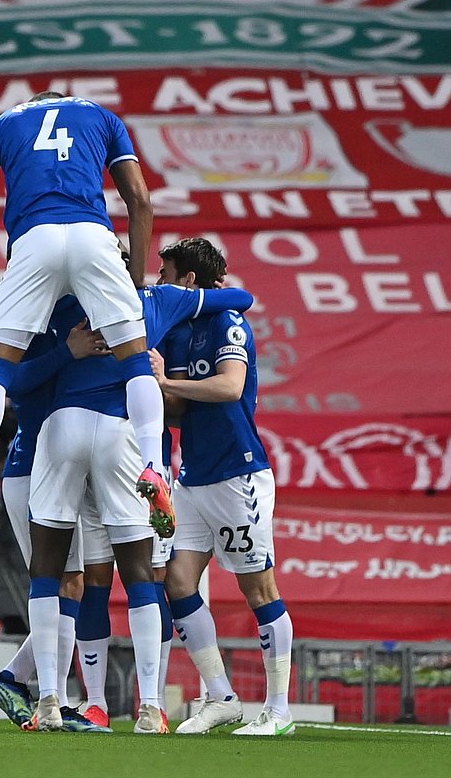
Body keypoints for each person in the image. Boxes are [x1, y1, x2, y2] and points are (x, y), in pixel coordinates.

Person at [0, 92, 173, 547]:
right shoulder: (102, 116)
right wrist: (133, 276)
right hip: (92, 236)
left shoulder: (0, 126)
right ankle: (153, 466)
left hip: (32, 243)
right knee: (133, 361)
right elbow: (140, 200)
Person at [21, 260, 255, 733]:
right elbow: (240, 299)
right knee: (142, 574)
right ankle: (150, 707)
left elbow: (17, 382)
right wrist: (193, 295)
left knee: (51, 571)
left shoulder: (55, 306)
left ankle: (49, 700)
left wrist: (67, 352)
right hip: (121, 433)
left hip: (61, 427)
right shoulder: (153, 300)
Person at [151, 237, 294, 738]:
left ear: (189, 279)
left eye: (166, 274)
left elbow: (230, 386)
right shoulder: (178, 330)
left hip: (238, 472)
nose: (159, 281)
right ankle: (221, 697)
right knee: (177, 582)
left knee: (258, 587)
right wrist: (154, 387)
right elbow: (180, 411)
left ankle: (278, 709)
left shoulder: (227, 322)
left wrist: (167, 384)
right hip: (192, 476)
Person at [0, 302, 113, 732]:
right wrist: (67, 353)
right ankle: (47, 699)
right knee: (57, 582)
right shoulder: (38, 321)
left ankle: (19, 680)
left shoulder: (88, 318)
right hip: (29, 471)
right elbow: (10, 383)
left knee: (70, 583)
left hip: (55, 471)